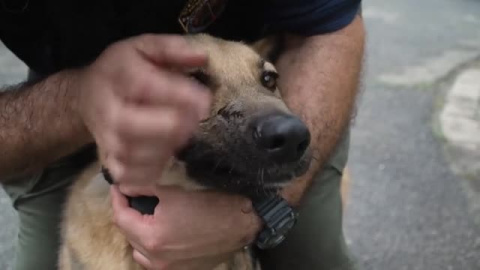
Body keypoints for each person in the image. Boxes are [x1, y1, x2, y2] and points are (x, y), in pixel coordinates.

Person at [0, 0, 365, 269]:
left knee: (315, 259)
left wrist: (263, 212)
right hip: (50, 102)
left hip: (291, 63)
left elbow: (329, 30)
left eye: (267, 80)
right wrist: (79, 101)